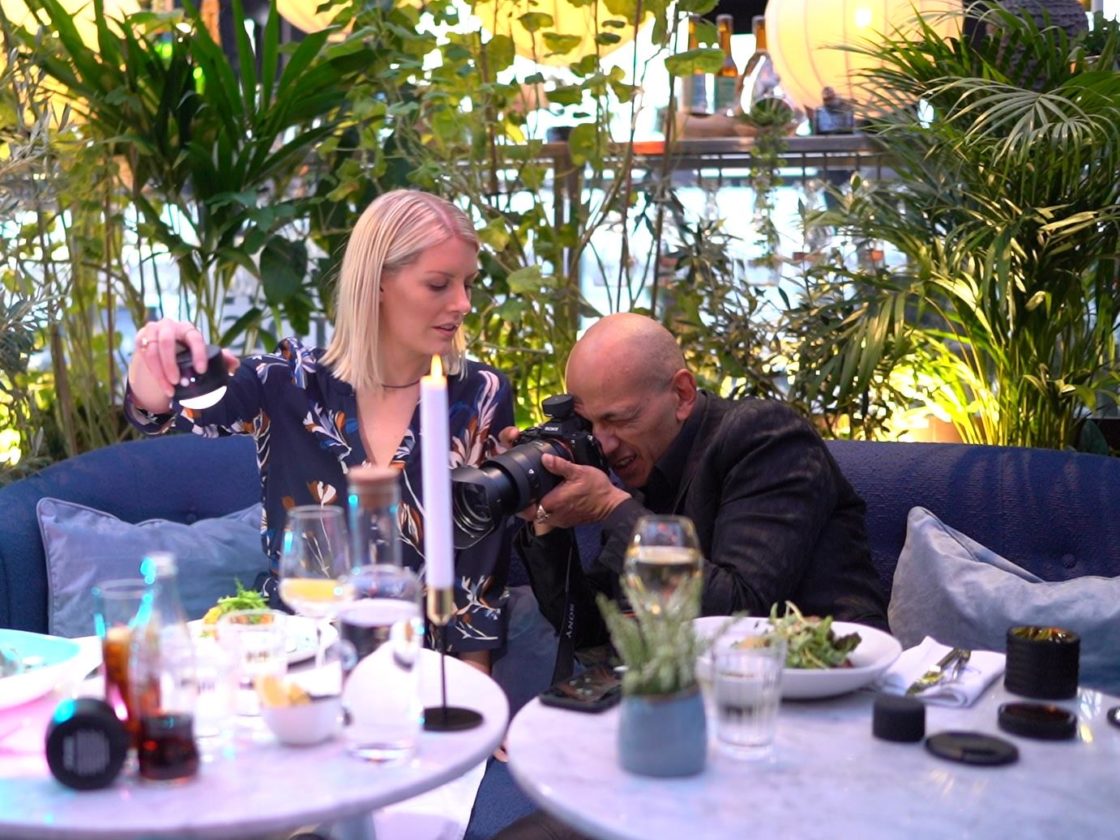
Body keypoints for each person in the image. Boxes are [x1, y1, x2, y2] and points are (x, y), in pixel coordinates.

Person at [125, 189, 514, 670]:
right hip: (295, 667)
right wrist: (156, 351)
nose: (463, 303)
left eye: (468, 284)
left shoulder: (481, 396)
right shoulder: (288, 383)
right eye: (439, 284)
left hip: (421, 673)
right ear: (377, 283)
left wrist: (471, 701)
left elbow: (477, 589)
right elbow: (160, 409)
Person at [514, 312, 888, 659]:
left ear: (682, 394)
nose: (604, 444)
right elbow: (590, 630)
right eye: (589, 425)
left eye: (621, 419)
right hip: (699, 688)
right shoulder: (640, 465)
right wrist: (546, 521)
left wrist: (613, 509)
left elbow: (740, 613)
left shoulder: (763, 436)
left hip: (832, 677)